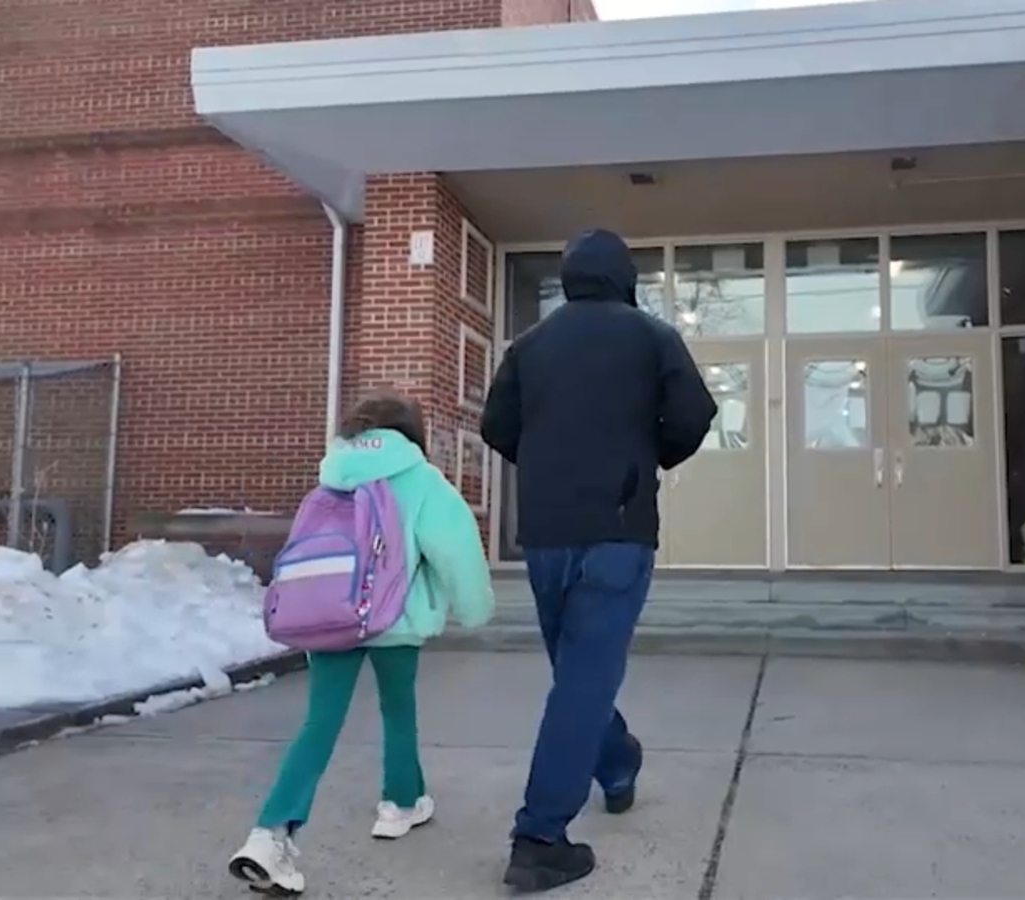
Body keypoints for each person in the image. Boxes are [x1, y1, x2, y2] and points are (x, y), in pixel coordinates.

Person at [481, 228, 718, 893]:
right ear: (625, 278)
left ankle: (615, 763)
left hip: (547, 533)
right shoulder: (652, 337)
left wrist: (549, 465)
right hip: (618, 529)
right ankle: (539, 838)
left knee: (576, 674)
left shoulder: (528, 346)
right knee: (583, 679)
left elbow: (496, 426)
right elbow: (694, 415)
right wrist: (647, 457)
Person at [228, 394, 495, 897]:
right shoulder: (420, 479)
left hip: (331, 615)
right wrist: (475, 610)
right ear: (411, 433)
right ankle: (398, 806)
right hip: (395, 618)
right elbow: (456, 549)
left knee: (319, 723)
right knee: (398, 708)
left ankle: (270, 833)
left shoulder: (333, 473)